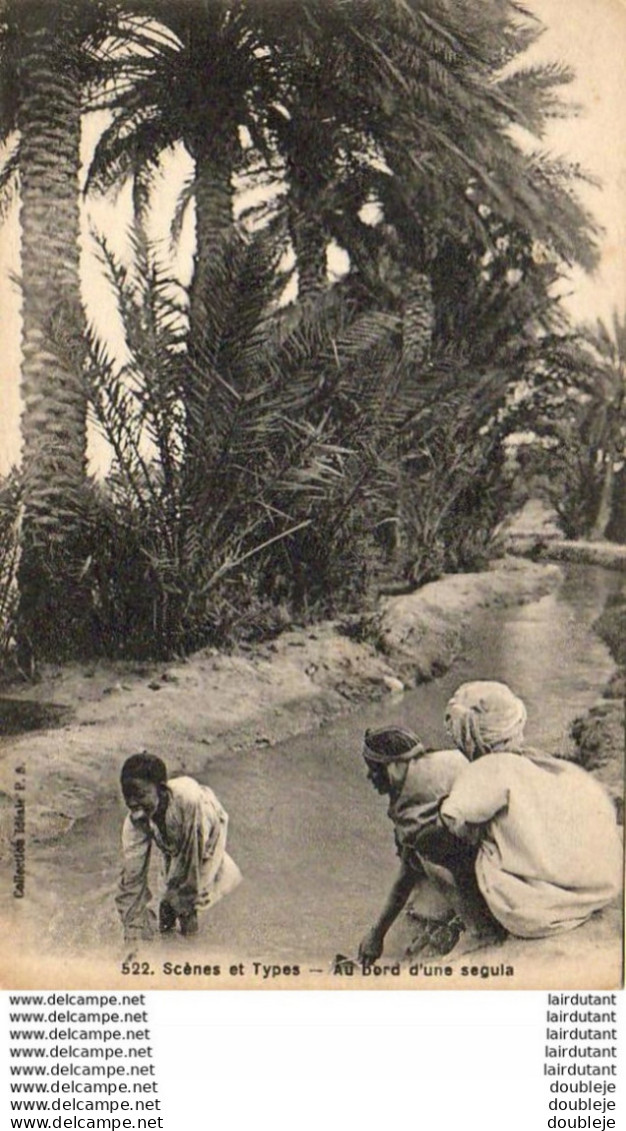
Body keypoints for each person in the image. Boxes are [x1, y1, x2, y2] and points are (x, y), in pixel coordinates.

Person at [438, 681, 623, 944]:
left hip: (536, 910)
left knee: (440, 841)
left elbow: (453, 820)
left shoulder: (487, 770)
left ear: (470, 736)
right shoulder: (542, 762)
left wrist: (464, 822)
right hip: (597, 887)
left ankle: (479, 930)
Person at [357, 726, 499, 963]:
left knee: (423, 847)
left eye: (374, 769)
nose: (369, 777)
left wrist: (377, 933)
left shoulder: (414, 798)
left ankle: (479, 930)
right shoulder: (443, 759)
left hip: (495, 860)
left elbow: (406, 875)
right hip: (511, 846)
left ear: (393, 765)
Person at [116, 752, 242, 942]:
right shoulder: (135, 821)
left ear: (161, 789)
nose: (134, 803)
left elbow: (192, 857)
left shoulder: (188, 800)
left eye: (141, 795)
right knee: (165, 908)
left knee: (182, 906)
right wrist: (132, 928)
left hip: (205, 830)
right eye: (128, 797)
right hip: (173, 841)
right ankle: (169, 948)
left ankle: (189, 953)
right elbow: (132, 877)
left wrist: (182, 897)